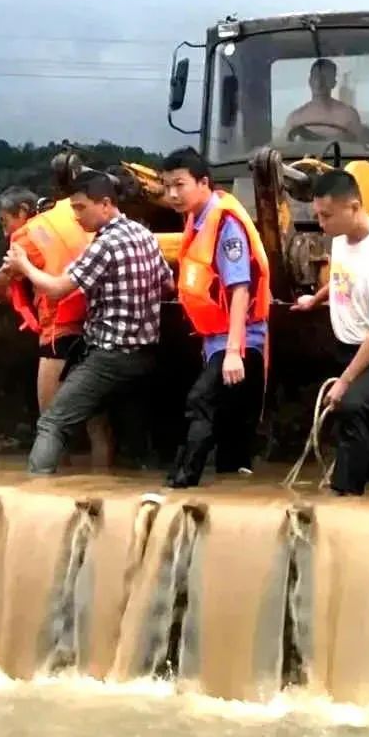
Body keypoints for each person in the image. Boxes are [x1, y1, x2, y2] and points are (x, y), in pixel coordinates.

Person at [3, 170, 172, 474]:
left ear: (105, 204)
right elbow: (168, 285)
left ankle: (34, 494)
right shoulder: (145, 235)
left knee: (53, 423)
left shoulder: (104, 245)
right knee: (107, 429)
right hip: (146, 354)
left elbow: (56, 288)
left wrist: (24, 266)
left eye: (81, 208)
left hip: (110, 355)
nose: (77, 217)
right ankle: (107, 487)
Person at [291, 169, 369, 497]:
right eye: (318, 215)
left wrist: (345, 381)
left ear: (354, 206)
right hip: (349, 345)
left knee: (350, 405)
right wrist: (314, 300)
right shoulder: (340, 238)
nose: (321, 224)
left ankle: (345, 494)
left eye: (326, 216)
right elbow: (340, 277)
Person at [160, 147, 271, 488]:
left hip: (239, 340)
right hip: (213, 339)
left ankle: (183, 480)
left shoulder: (225, 224)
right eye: (167, 187)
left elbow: (241, 288)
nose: (173, 194)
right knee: (227, 420)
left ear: (203, 182)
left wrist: (235, 351)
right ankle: (230, 487)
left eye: (180, 185)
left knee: (202, 401)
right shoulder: (197, 219)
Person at [0, 186, 112, 469]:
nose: (5, 233)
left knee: (51, 424)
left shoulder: (26, 237)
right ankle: (105, 485)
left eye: (5, 222)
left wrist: (6, 270)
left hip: (59, 334)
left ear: (21, 212)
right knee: (97, 425)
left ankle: (54, 492)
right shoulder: (75, 219)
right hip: (95, 330)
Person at [282, 58, 364, 141]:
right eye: (316, 77)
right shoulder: (295, 118)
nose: (319, 82)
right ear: (310, 81)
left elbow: (362, 149)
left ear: (334, 83)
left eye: (326, 77)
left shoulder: (349, 115)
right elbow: (283, 149)